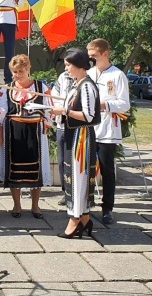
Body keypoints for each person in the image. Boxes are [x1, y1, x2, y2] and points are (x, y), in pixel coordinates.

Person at [49, 48, 100, 238]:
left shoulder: (86, 86)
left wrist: (65, 111)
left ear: (79, 66)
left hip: (82, 137)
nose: (67, 69)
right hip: (73, 134)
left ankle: (75, 220)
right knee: (74, 176)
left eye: (69, 65)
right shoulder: (77, 84)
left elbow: (88, 115)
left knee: (79, 178)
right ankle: (85, 219)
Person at [0, 55, 52, 219]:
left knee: (36, 168)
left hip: (35, 131)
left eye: (20, 71)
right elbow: (1, 113)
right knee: (15, 169)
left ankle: (35, 205)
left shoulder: (40, 87)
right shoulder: (6, 89)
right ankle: (17, 204)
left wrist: (48, 123)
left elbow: (49, 109)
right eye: (14, 72)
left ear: (29, 69)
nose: (17, 75)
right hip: (13, 132)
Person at [87, 38, 130, 225]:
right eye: (89, 57)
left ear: (105, 54)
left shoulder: (117, 75)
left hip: (107, 129)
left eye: (94, 56)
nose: (91, 60)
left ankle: (107, 208)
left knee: (107, 170)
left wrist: (104, 104)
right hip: (88, 128)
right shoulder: (88, 73)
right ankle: (85, 203)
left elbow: (124, 103)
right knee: (86, 169)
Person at [52, 70, 75, 206]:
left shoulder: (86, 78)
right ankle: (66, 192)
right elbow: (55, 94)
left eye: (69, 64)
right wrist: (58, 107)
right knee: (62, 162)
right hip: (62, 125)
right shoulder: (63, 76)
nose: (66, 67)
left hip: (77, 127)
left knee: (75, 162)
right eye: (65, 64)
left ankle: (78, 193)